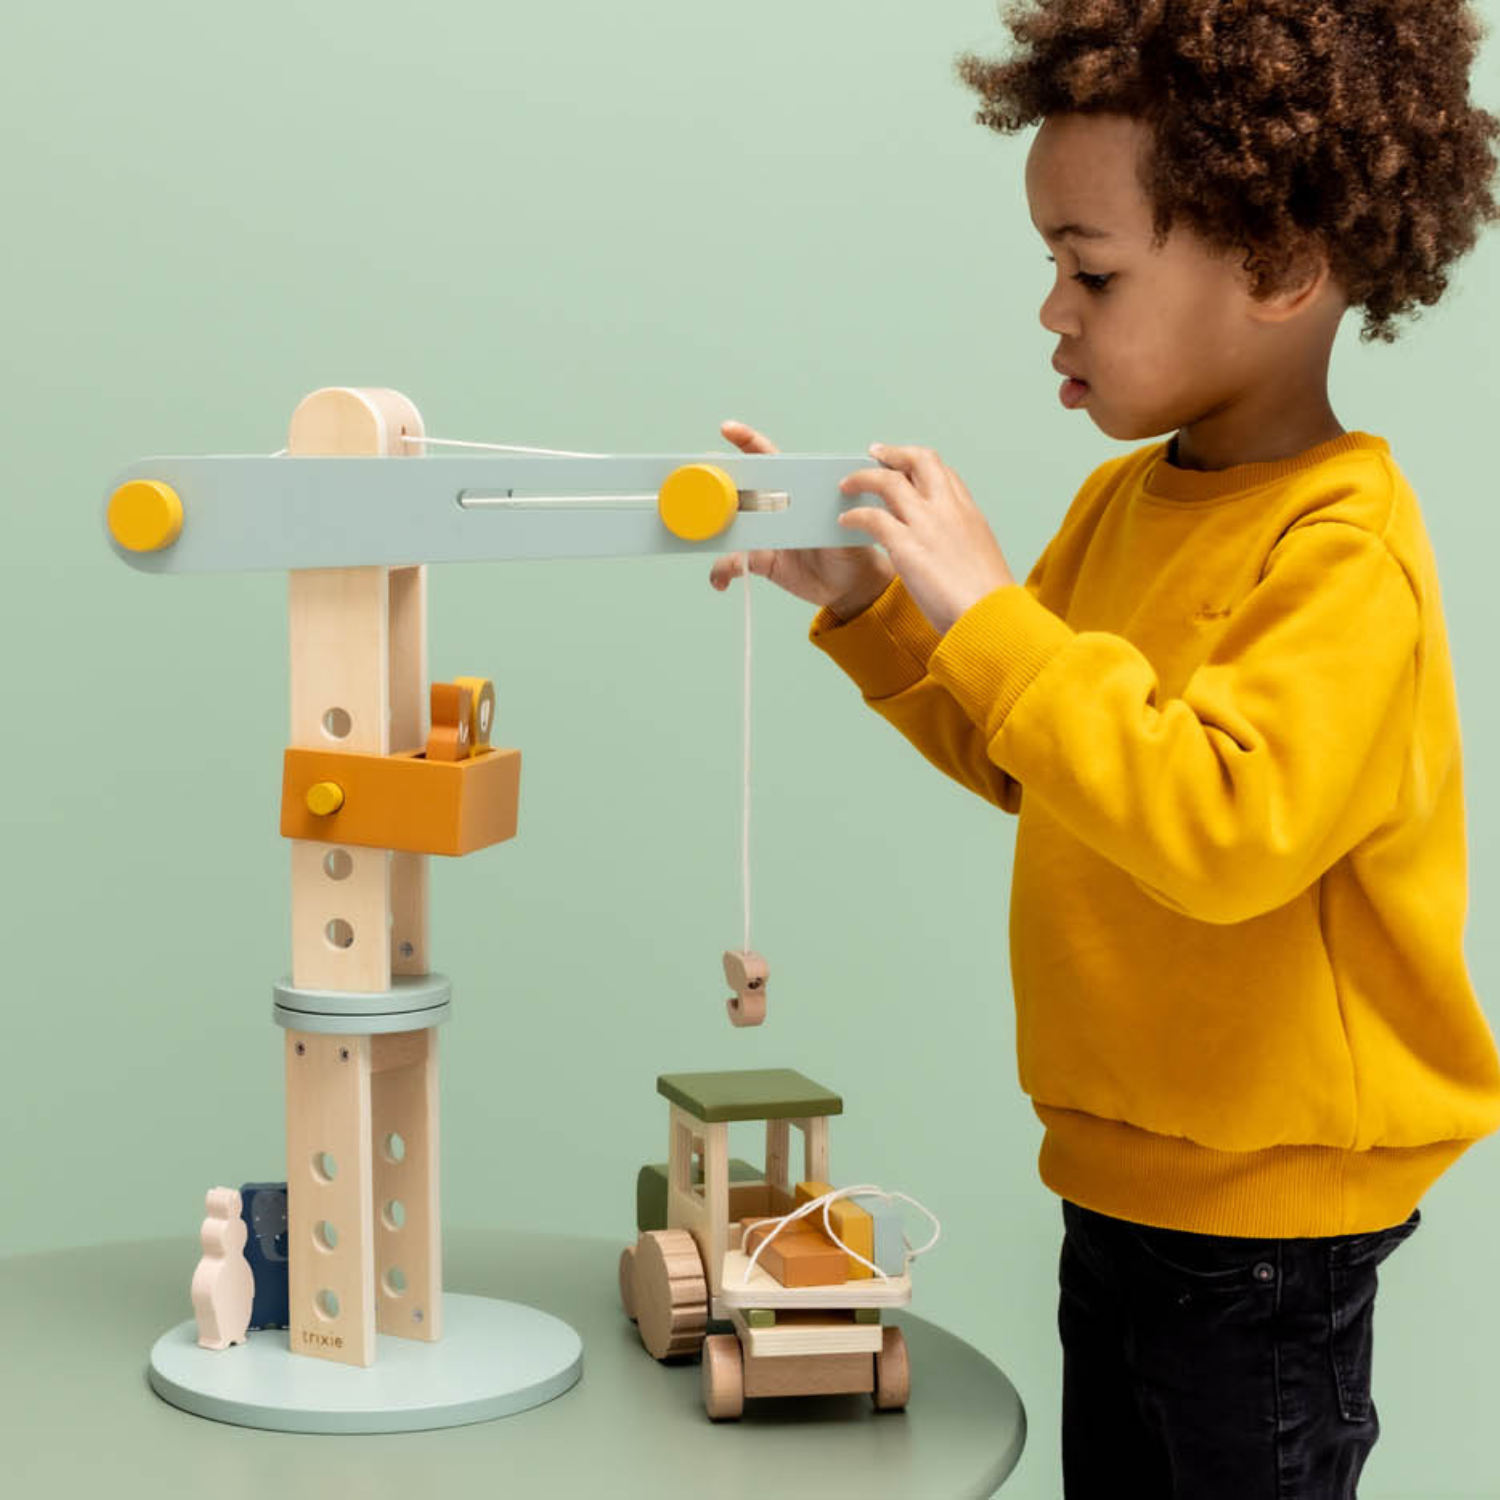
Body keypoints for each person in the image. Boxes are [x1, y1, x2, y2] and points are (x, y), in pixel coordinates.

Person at [708, 3, 1500, 1495]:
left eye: (1092, 270)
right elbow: (1039, 754)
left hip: (1268, 1224)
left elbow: (1218, 829)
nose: (1052, 312)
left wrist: (994, 609)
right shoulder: (1129, 508)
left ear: (1278, 268)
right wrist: (884, 606)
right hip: (1120, 1177)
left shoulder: (1346, 556)